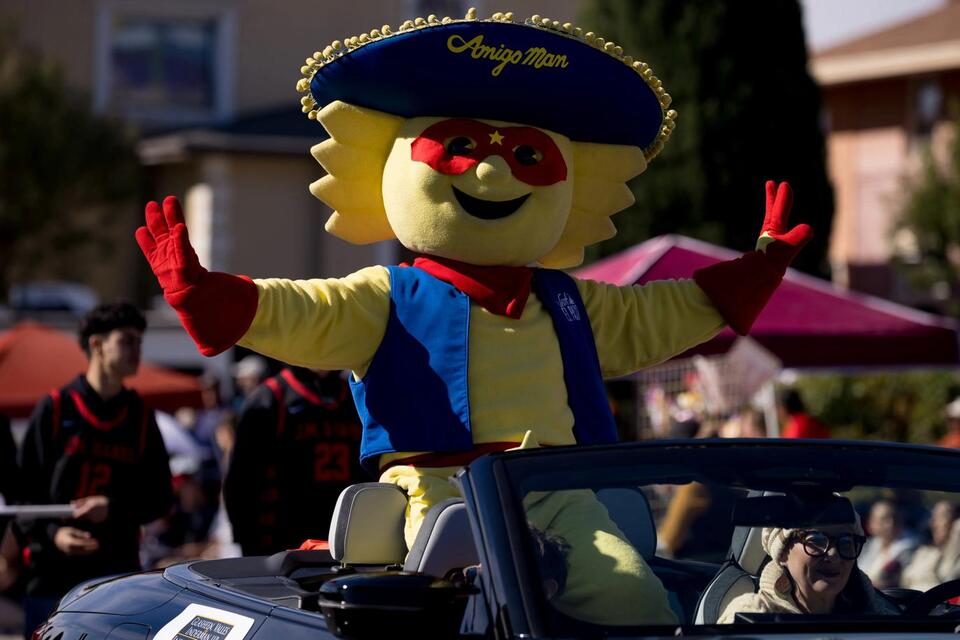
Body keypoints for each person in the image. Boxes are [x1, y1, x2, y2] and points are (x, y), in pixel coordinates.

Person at [136, 9, 813, 626]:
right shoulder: (388, 295)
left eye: (526, 156)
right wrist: (205, 292)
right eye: (460, 147)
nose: (492, 172)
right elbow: (302, 309)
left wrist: (757, 270)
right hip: (441, 494)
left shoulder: (572, 303)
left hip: (555, 493)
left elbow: (660, 314)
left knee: (634, 603)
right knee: (463, 610)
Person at [17, 302, 173, 635]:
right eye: (127, 340)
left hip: (115, 580)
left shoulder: (140, 417)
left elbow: (160, 497)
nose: (137, 350)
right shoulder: (56, 408)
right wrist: (54, 534)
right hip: (51, 575)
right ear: (97, 345)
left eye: (139, 341)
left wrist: (112, 507)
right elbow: (22, 493)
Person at [223, 367, 364, 555]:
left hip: (345, 538)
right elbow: (241, 480)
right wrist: (248, 542)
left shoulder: (355, 393)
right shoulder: (271, 397)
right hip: (284, 543)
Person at [718, 505, 899, 622]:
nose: (833, 554)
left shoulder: (882, 619)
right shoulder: (752, 615)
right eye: (817, 541)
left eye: (846, 542)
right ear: (783, 554)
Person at [858, 498, 918, 589]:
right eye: (884, 519)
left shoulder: (911, 547)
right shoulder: (866, 546)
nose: (891, 523)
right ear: (871, 524)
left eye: (895, 517)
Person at [900, 500, 960, 591]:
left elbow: (948, 578)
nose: (932, 524)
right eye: (933, 517)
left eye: (941, 517)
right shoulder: (923, 552)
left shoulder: (955, 561)